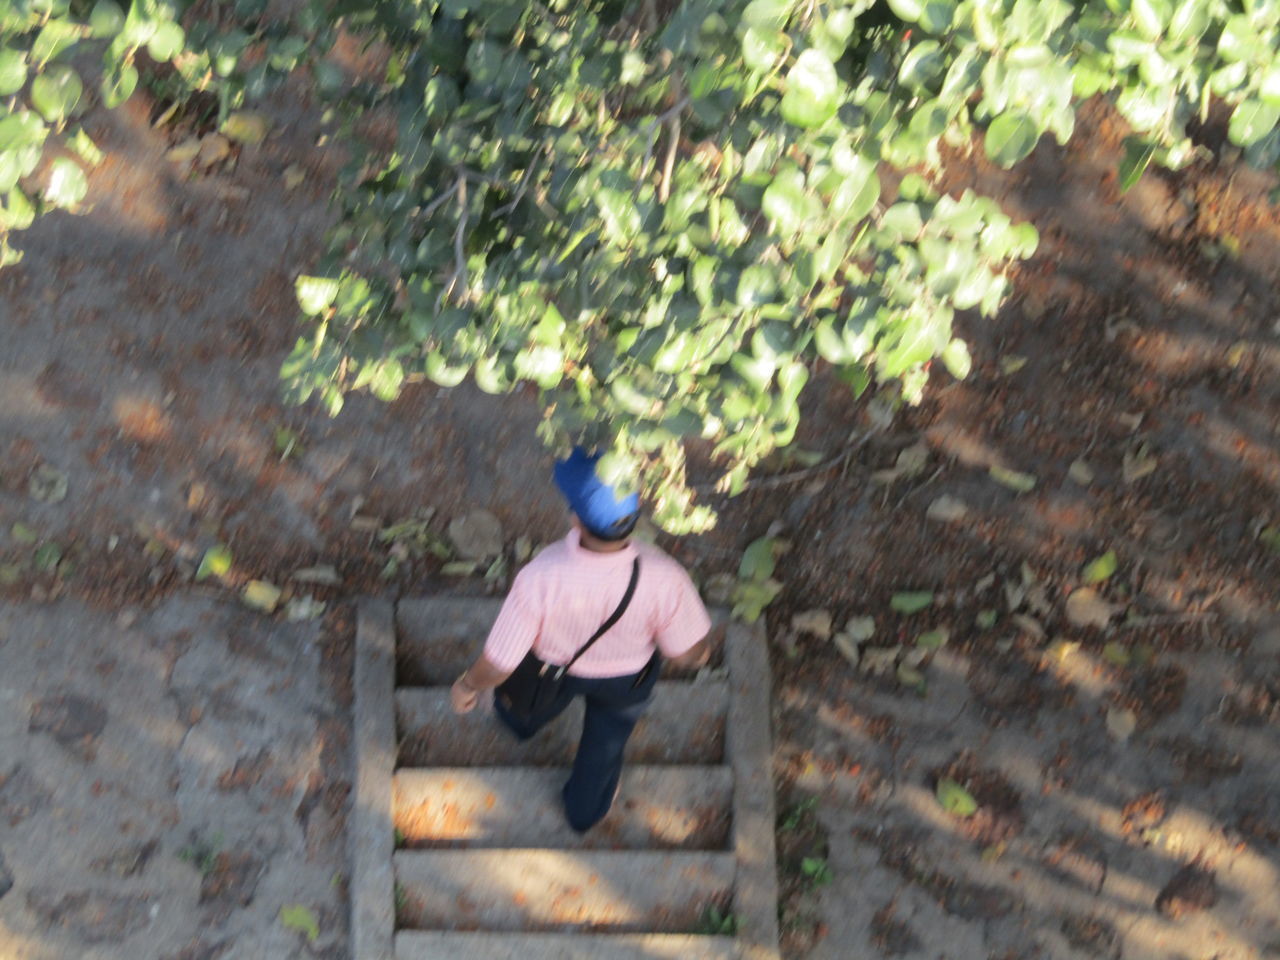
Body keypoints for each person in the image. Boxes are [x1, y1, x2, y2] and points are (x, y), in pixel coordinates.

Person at [449, 446, 713, 832]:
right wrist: (696, 647)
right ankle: (584, 811)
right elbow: (691, 655)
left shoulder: (542, 575)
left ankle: (519, 725)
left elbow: (501, 662)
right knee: (604, 747)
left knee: (528, 703)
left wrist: (467, 684)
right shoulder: (664, 576)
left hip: (552, 671)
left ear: (576, 519)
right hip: (628, 680)